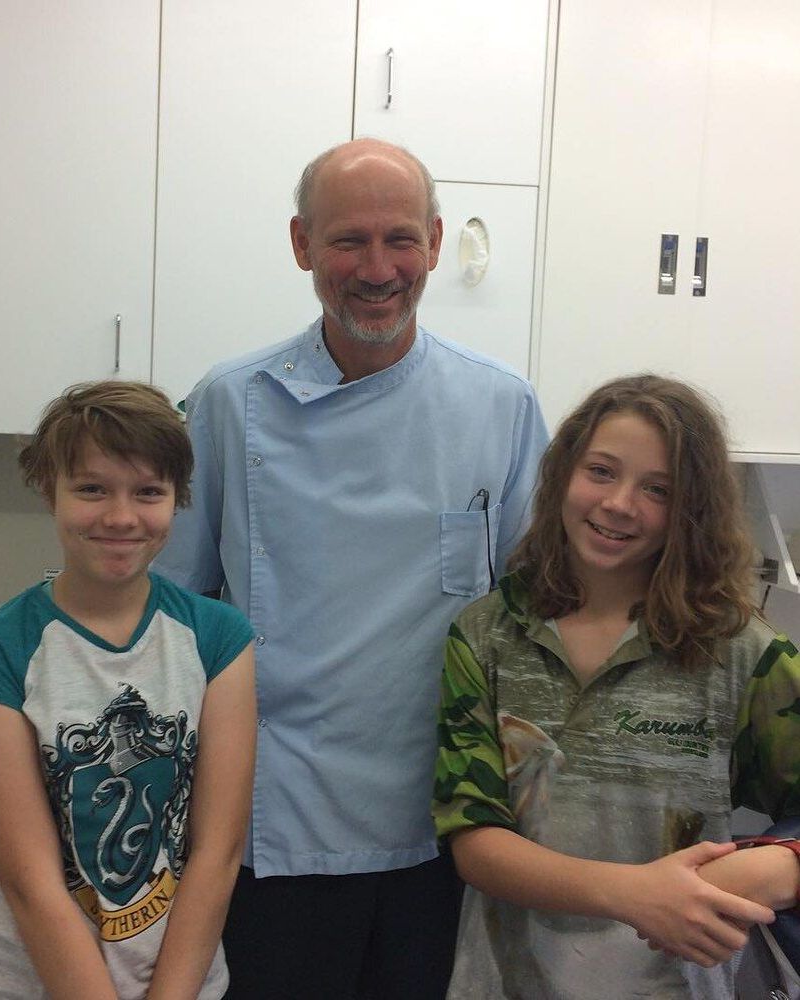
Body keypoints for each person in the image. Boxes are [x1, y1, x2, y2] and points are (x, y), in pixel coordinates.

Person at [152, 138, 548, 998]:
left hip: (446, 819)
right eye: (348, 241)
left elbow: (536, 615)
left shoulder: (501, 406)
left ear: (436, 244)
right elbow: (170, 613)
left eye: (400, 239)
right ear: (301, 246)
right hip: (275, 818)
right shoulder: (229, 401)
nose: (378, 268)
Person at [432, 374, 800, 1000]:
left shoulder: (744, 654)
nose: (620, 503)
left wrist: (780, 869)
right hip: (502, 981)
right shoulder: (487, 634)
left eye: (658, 489)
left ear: (692, 510)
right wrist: (633, 895)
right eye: (601, 471)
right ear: (563, 474)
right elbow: (474, 839)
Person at [0, 381, 256, 999]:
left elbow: (216, 854)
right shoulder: (1, 650)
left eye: (148, 492)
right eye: (92, 488)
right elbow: (31, 884)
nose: (120, 516)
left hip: (182, 982)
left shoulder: (218, 638)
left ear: (177, 500)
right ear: (48, 491)